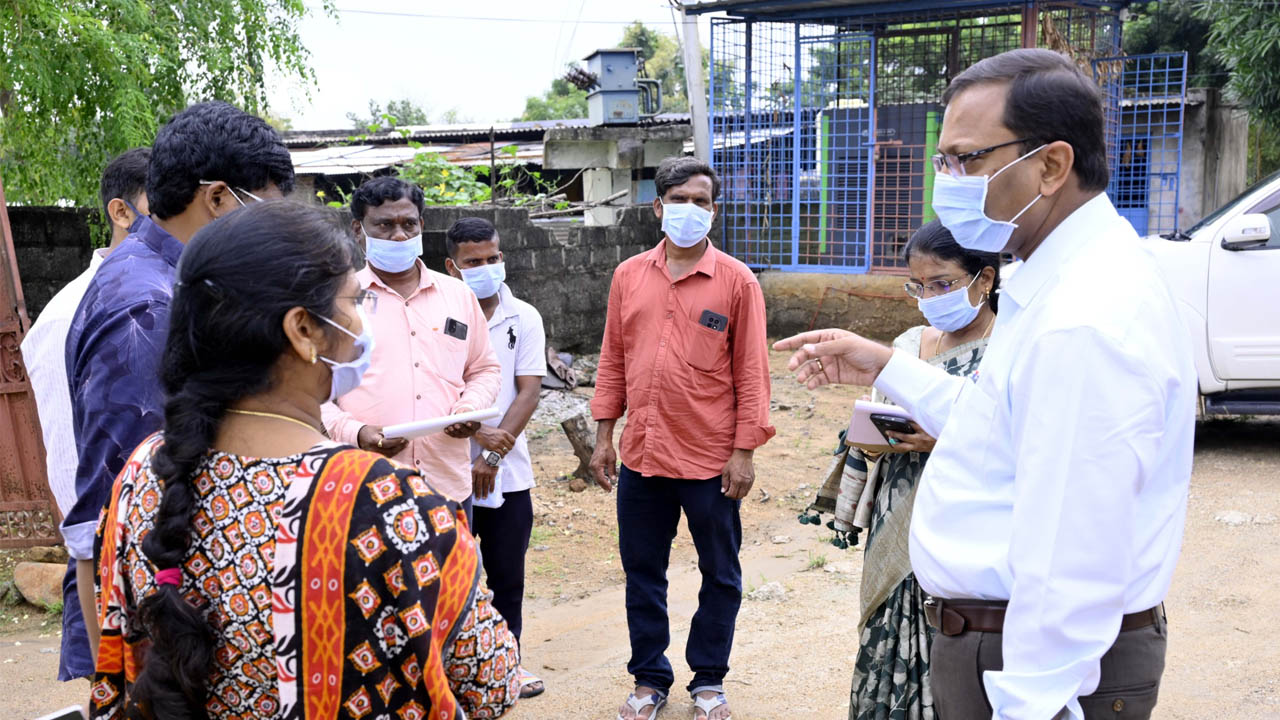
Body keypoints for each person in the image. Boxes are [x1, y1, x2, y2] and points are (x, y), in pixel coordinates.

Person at [776, 48, 1196, 719]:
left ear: (1051, 165)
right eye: (941, 161)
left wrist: (1030, 704)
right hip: (992, 641)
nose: (946, 182)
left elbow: (1072, 552)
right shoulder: (1056, 280)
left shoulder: (1085, 316)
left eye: (965, 159)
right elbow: (999, 425)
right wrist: (886, 365)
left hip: (1024, 662)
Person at [90, 201, 520, 720]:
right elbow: (489, 685)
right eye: (354, 301)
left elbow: (117, 663)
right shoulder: (390, 503)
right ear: (303, 330)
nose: (363, 321)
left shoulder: (141, 477)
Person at [65, 101, 294, 655]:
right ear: (217, 198)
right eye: (264, 213)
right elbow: (126, 498)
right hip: (153, 615)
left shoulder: (172, 279)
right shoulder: (149, 308)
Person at [589, 157, 775, 720]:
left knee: (720, 572)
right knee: (643, 572)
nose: (690, 210)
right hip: (642, 456)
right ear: (658, 206)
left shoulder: (737, 282)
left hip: (710, 458)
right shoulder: (628, 276)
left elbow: (752, 373)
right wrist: (604, 436)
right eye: (679, 199)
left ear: (714, 210)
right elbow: (613, 358)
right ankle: (649, 679)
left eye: (701, 201)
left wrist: (743, 453)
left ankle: (709, 680)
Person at [813, 221, 1001, 720]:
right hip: (896, 518)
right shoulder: (910, 341)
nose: (929, 297)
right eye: (918, 286)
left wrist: (944, 439)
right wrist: (872, 434)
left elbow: (1016, 440)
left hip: (964, 526)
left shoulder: (1010, 351)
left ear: (984, 279)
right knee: (890, 630)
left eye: (942, 284)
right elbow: (879, 414)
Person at [21, 148, 150, 682]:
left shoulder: (169, 291)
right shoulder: (72, 313)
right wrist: (96, 562)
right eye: (163, 205)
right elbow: (70, 461)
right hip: (113, 550)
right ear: (121, 212)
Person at [322, 177, 501, 516]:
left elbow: (484, 369)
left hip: (447, 484)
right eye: (384, 225)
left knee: (454, 555)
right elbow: (313, 391)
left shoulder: (458, 295)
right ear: (358, 230)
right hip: (366, 483)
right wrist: (357, 433)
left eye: (408, 224)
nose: (399, 235)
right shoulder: (338, 300)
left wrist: (469, 408)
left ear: (421, 224)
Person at [444, 216, 548, 700]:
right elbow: (430, 389)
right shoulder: (437, 315)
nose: (485, 268)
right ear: (452, 266)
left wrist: (491, 450)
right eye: (473, 262)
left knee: (507, 576)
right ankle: (447, 671)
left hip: (508, 471)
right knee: (450, 577)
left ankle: (508, 664)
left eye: (492, 258)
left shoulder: (524, 317)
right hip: (445, 470)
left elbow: (528, 391)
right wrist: (475, 434)